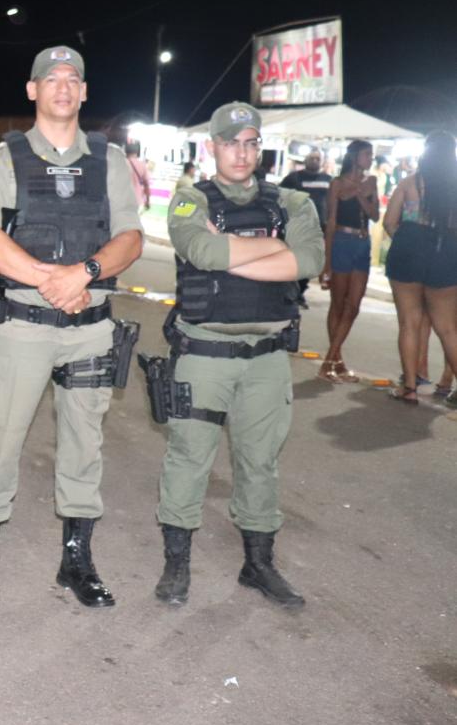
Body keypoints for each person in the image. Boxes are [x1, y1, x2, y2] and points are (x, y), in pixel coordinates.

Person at [0, 46, 144, 609]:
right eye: (50, 78)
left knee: (85, 445)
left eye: (72, 79)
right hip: (23, 325)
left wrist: (84, 273)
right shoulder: (5, 159)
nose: (62, 87)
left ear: (84, 92)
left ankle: (76, 561)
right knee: (1, 440)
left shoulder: (109, 160)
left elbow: (130, 239)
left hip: (90, 329)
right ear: (32, 90)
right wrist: (53, 280)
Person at [149, 102, 323, 608]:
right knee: (188, 457)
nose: (242, 153)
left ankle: (258, 564)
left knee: (260, 461)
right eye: (231, 143)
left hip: (267, 357)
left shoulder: (292, 201)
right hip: (204, 352)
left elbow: (310, 259)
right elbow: (201, 253)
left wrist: (231, 252)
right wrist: (276, 249)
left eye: (250, 143)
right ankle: (177, 563)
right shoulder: (189, 199)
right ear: (212, 147)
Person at [381, 131, 457, 404]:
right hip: (445, 251)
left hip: (409, 250)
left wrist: (406, 242)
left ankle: (410, 388)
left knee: (409, 323)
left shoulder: (409, 183)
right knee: (448, 328)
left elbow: (389, 222)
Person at [317, 141, 378, 382]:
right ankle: (336, 361)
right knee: (338, 304)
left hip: (363, 242)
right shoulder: (337, 184)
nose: (371, 158)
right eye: (367, 154)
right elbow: (331, 221)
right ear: (354, 156)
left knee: (353, 305)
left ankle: (329, 360)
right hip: (341, 241)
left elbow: (375, 215)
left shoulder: (371, 182)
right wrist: (326, 262)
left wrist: (361, 195)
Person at [280, 152, 331, 308]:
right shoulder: (293, 178)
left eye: (318, 159)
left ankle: (299, 292)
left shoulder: (328, 180)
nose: (315, 161)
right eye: (312, 158)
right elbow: (280, 198)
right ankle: (289, 292)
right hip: (297, 226)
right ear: (306, 160)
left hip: (319, 227)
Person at [125, 141, 151, 212]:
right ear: (137, 153)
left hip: (122, 200)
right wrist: (147, 201)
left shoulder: (120, 163)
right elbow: (147, 185)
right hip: (137, 200)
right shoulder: (142, 165)